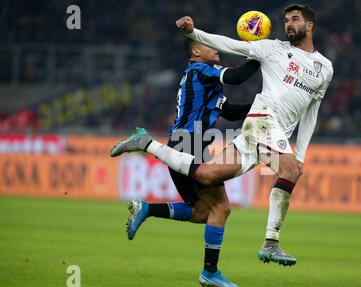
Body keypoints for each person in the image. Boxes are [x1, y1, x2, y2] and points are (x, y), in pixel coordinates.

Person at [111, 4, 333, 269]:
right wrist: (195, 32)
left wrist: (300, 155)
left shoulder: (325, 68)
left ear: (309, 26)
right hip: (258, 123)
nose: (288, 24)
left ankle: (146, 145)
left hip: (263, 133)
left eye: (294, 19)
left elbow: (311, 112)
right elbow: (227, 46)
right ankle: (270, 242)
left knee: (207, 180)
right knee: (289, 171)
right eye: (285, 20)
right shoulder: (270, 48)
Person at [116, 38, 260, 287]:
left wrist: (266, 109)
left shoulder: (206, 82)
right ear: (196, 52)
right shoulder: (201, 70)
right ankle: (210, 272)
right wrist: (261, 54)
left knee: (204, 212)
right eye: (209, 44)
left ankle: (147, 209)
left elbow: (231, 112)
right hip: (189, 144)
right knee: (221, 208)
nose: (217, 49)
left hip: (184, 144)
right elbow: (237, 77)